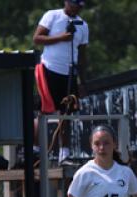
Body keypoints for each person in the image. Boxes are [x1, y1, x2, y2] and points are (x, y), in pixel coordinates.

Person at [33, 0, 89, 162]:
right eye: (73, 4)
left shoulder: (83, 25)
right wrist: (61, 37)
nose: (76, 8)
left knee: (66, 112)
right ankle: (35, 149)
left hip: (69, 73)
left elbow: (83, 55)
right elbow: (37, 38)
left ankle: (64, 153)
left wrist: (82, 81)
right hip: (49, 69)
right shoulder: (52, 15)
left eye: (79, 5)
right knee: (44, 110)